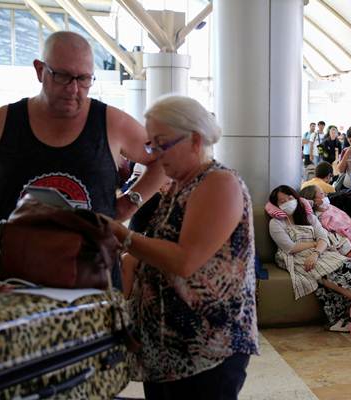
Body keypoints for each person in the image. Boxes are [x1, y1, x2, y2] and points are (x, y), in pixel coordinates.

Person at [106, 95, 259, 399]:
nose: (152, 155)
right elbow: (154, 254)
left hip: (206, 348)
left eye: (161, 143)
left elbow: (186, 260)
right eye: (150, 145)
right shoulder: (180, 186)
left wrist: (121, 235)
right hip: (168, 348)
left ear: (195, 140)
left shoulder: (219, 183)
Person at [0, 31, 165, 228]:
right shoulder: (0, 123)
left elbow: (163, 157)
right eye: (62, 76)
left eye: (84, 79)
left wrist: (130, 202)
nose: (73, 89)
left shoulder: (113, 122)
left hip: (91, 256)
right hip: (17, 256)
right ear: (39, 70)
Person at [267, 185, 351, 327]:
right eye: (282, 201)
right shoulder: (276, 223)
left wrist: (316, 252)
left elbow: (323, 238)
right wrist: (315, 245)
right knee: (336, 277)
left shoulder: (308, 216)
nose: (288, 202)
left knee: (345, 264)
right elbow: (290, 247)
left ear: (296, 198)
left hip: (319, 252)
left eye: (290, 198)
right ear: (276, 206)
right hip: (296, 257)